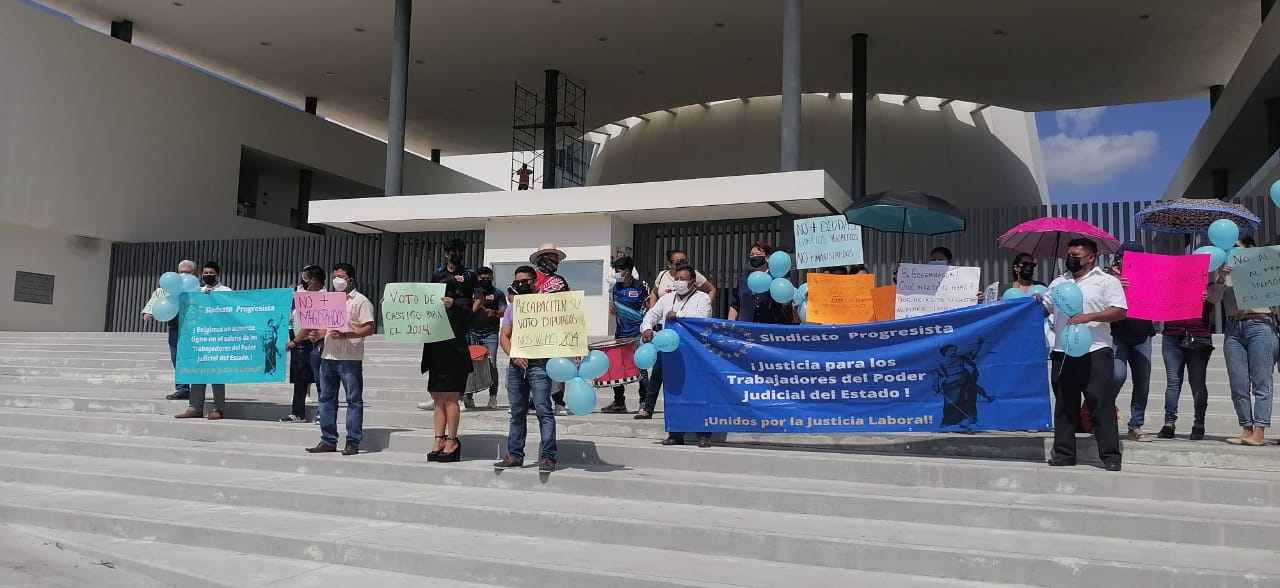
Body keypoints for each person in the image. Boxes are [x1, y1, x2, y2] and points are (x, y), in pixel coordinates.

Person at [1043, 238, 1128, 471]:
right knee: (1064, 405)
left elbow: (1120, 311)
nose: (1071, 259)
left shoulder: (1106, 281)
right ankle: (1063, 453)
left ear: (1091, 257)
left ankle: (1110, 456)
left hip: (1096, 350)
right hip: (1063, 351)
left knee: (1100, 403)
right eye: (1069, 254)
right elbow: (1045, 308)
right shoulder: (1058, 282)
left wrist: (1089, 317)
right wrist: (1032, 303)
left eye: (1076, 255)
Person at [639, 265, 714, 444]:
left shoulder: (702, 298)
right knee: (674, 393)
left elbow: (702, 317)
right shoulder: (667, 299)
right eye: (677, 278)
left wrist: (678, 314)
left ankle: (703, 434)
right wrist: (647, 328)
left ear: (692, 282)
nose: (679, 282)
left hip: (694, 353)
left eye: (683, 279)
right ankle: (676, 433)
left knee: (697, 393)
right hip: (672, 353)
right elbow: (651, 315)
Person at [306, 263, 376, 456]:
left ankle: (353, 441)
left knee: (353, 400)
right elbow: (325, 326)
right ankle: (328, 439)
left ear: (351, 279)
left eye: (341, 276)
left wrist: (347, 335)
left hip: (349, 358)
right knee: (326, 398)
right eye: (334, 275)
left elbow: (369, 327)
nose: (337, 279)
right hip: (328, 355)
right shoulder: (329, 300)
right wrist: (318, 334)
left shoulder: (361, 301)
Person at [494, 266, 558, 472]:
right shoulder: (513, 307)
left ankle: (548, 457)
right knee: (517, 412)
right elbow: (504, 336)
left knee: (543, 410)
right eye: (517, 281)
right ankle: (514, 454)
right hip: (516, 366)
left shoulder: (548, 305)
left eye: (525, 281)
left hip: (539, 364)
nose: (521, 284)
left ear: (534, 282)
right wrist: (515, 355)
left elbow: (562, 330)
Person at [1217, 235, 1277, 447]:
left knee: (1261, 381)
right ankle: (1246, 428)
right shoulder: (1223, 270)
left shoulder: (1262, 266)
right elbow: (1213, 299)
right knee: (1238, 383)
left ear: (1249, 248)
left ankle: (1259, 431)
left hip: (1260, 324)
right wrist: (1221, 278)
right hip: (1234, 327)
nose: (1231, 251)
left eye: (1236, 246)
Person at [1158, 280, 1221, 440]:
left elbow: (1219, 295)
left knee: (1197, 381)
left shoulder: (1209, 287)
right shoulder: (1169, 286)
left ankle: (1199, 422)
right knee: (1173, 381)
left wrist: (1211, 292)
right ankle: (1168, 423)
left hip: (1198, 336)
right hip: (1172, 336)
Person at [1106, 242, 1156, 443]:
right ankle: (1104, 414)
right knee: (1117, 375)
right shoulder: (1108, 277)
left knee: (1142, 382)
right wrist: (1115, 285)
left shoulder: (1151, 275)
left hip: (1142, 334)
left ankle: (1136, 425)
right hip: (1116, 334)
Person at [422, 279, 474, 463]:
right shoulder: (427, 305)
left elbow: (468, 316)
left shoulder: (461, 303)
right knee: (437, 398)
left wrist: (453, 306)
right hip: (435, 355)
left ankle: (452, 440)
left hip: (455, 357)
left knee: (451, 398)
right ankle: (438, 439)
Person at [174, 261, 233, 420]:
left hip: (218, 339)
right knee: (197, 374)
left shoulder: (226, 291)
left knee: (216, 375)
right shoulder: (196, 291)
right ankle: (194, 408)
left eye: (211, 273)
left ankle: (218, 409)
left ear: (217, 274)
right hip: (199, 339)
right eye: (205, 273)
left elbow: (231, 311)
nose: (208, 275)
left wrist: (214, 298)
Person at [143, 259, 196, 401]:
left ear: (193, 273)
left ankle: (197, 389)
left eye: (187, 272)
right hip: (175, 328)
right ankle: (183, 389)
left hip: (194, 329)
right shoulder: (167, 289)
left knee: (194, 359)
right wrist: (150, 312)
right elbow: (156, 301)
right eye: (181, 272)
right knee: (177, 358)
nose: (184, 275)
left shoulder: (198, 289)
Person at [603, 256, 650, 414]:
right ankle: (619, 403)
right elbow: (613, 308)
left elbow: (651, 307)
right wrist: (613, 310)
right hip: (621, 334)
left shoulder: (641, 286)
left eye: (617, 271)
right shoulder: (616, 287)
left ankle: (644, 402)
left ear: (627, 271)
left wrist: (647, 328)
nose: (615, 274)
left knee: (641, 370)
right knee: (617, 368)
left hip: (637, 334)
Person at [529, 243, 571, 414]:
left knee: (557, 364)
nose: (554, 262)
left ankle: (559, 401)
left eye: (556, 260)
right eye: (551, 259)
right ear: (541, 259)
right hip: (533, 330)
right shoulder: (530, 278)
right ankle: (532, 400)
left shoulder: (560, 281)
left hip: (554, 329)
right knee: (533, 367)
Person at [280, 265, 326, 423]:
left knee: (321, 380)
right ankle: (298, 412)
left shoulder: (322, 297)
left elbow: (308, 324)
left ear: (313, 280)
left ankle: (323, 413)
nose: (303, 281)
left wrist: (295, 340)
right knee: (300, 379)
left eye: (305, 278)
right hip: (300, 341)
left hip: (314, 341)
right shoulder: (303, 294)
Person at [728, 242, 799, 325]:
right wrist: (730, 325)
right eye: (752, 255)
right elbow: (735, 306)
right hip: (745, 328)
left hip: (769, 329)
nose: (754, 257)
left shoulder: (777, 280)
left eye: (758, 254)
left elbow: (785, 302)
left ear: (767, 257)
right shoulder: (743, 280)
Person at [466, 266, 505, 410]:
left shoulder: (498, 293)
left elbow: (503, 311)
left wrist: (494, 312)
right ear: (477, 278)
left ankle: (493, 396)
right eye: (482, 279)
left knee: (492, 363)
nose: (485, 281)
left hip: (490, 334)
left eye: (488, 279)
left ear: (492, 278)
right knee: (470, 365)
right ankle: (468, 396)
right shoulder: (472, 293)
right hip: (472, 332)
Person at [649, 249, 716, 306]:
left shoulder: (693, 274)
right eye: (679, 262)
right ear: (669, 264)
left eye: (685, 262)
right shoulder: (662, 275)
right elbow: (654, 293)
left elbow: (711, 290)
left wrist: (704, 306)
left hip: (685, 317)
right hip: (663, 319)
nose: (683, 265)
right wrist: (652, 309)